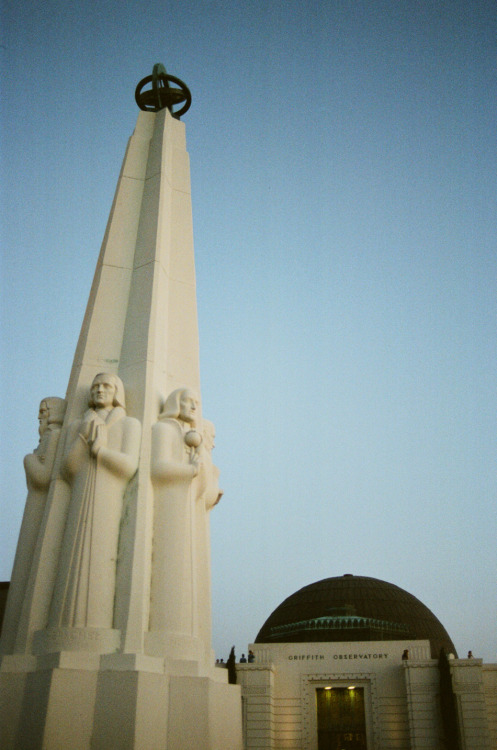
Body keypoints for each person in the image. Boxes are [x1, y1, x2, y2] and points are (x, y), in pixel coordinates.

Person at [49, 374, 140, 630]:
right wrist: (83, 440)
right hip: (78, 496)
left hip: (109, 498)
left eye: (106, 386)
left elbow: (129, 465)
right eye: (95, 387)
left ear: (117, 392)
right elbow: (67, 469)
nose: (100, 390)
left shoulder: (129, 424)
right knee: (71, 552)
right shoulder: (78, 424)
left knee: (103, 555)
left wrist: (101, 451)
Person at [1, 397, 66, 654]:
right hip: (36, 509)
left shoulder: (53, 437)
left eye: (44, 412)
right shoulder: (47, 438)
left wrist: (28, 459)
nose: (40, 417)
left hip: (42, 507)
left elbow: (43, 476)